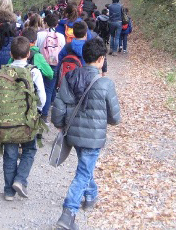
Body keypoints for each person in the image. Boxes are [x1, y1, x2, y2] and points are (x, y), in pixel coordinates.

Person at [52, 37, 121, 229]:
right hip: (93, 138)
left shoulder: (70, 76)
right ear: (100, 59)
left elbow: (59, 104)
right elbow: (115, 118)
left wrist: (59, 124)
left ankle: (91, 195)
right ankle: (68, 213)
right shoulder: (106, 84)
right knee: (83, 171)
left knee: (85, 166)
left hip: (73, 133)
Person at [0, 36, 47, 201]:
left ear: (11, 53)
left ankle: (8, 191)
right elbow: (42, 97)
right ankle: (20, 180)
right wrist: (37, 112)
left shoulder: (3, 70)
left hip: (6, 121)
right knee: (29, 149)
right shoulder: (33, 71)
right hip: (27, 120)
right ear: (28, 54)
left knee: (10, 154)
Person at [36, 13, 66, 118]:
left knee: (38, 87)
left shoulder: (39, 35)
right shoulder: (61, 36)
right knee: (48, 89)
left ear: (45, 22)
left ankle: (36, 111)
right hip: (54, 65)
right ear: (57, 24)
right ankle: (44, 114)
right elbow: (62, 51)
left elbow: (35, 49)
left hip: (40, 64)